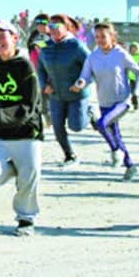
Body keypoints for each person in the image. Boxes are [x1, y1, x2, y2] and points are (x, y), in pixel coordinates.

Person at [0, 20, 44, 236]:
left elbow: (31, 105)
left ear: (15, 38)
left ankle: (26, 219)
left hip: (27, 133)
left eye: (2, 36)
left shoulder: (25, 66)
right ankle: (16, 168)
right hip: (0, 135)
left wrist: (2, 116)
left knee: (29, 178)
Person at [71, 23, 139, 180]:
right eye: (97, 37)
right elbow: (85, 77)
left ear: (112, 37)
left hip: (122, 101)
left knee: (102, 123)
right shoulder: (92, 57)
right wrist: (80, 84)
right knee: (115, 134)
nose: (100, 40)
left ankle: (115, 150)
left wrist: (136, 92)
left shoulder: (121, 54)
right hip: (104, 101)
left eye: (103, 36)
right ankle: (130, 165)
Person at [38, 14, 91, 166]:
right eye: (50, 26)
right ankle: (70, 155)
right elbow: (40, 68)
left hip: (76, 94)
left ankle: (90, 113)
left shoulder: (77, 46)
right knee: (57, 127)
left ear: (66, 27)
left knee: (76, 126)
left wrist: (82, 82)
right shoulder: (45, 46)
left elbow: (91, 67)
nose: (51, 29)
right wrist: (43, 85)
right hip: (56, 94)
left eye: (56, 26)